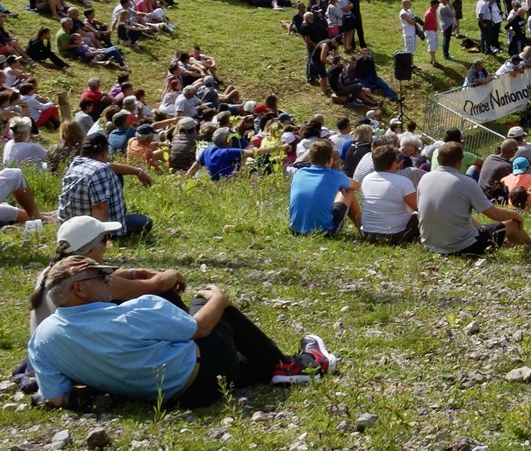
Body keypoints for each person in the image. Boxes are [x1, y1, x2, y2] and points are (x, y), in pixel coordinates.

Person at [28, 216, 334, 407]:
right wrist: (220, 299)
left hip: (165, 396)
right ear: (80, 290)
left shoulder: (42, 338)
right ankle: (290, 367)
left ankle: (271, 370)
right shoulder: (134, 311)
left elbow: (56, 397)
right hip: (202, 377)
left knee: (237, 363)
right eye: (102, 276)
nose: (108, 279)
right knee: (206, 301)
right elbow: (200, 327)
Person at [419, 142, 531, 256]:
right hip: (461, 247)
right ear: (460, 161)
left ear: (438, 159)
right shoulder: (466, 183)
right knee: (513, 224)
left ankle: (513, 243)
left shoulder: (424, 178)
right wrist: (515, 215)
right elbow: (494, 214)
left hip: (429, 245)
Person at [57, 131, 155, 243]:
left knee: (116, 175)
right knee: (145, 221)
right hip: (90, 230)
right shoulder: (100, 170)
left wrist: (138, 172)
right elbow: (99, 207)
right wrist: (102, 239)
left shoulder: (75, 164)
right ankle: (111, 234)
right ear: (104, 152)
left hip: (69, 227)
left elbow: (111, 167)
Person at [287, 139, 354, 234]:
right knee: (349, 191)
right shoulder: (335, 175)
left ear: (310, 158)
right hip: (324, 231)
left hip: (296, 229)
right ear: (330, 160)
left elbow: (297, 162)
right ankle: (361, 227)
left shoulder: (299, 173)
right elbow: (356, 185)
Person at [355, 145, 420, 242]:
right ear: (394, 163)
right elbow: (418, 207)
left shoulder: (366, 179)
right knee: (418, 214)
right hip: (396, 236)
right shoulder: (403, 181)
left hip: (368, 234)